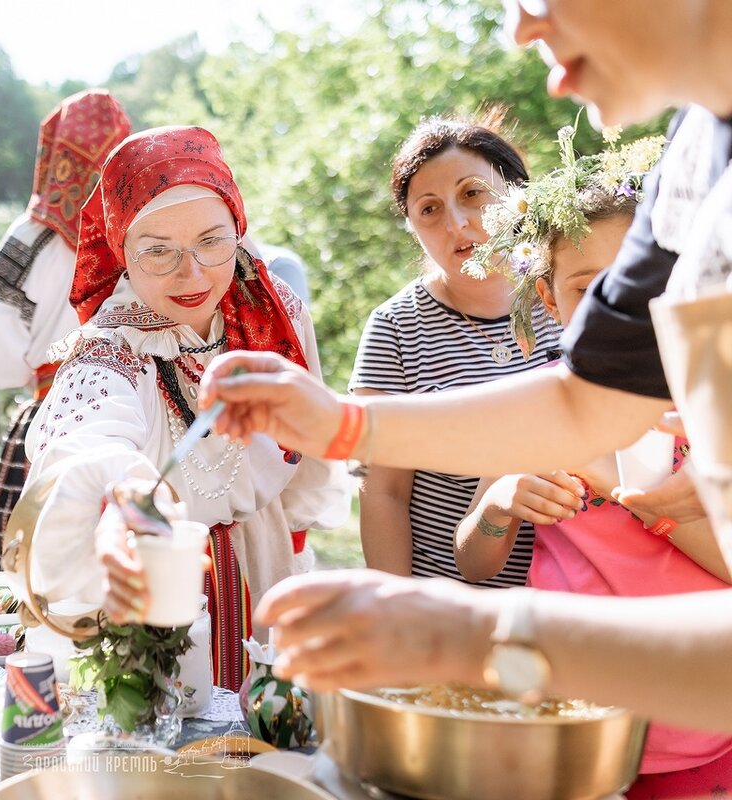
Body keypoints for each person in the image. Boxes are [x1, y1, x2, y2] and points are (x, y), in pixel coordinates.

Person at [197, 0, 732, 744]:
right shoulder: (695, 159)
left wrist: (471, 634)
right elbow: (587, 405)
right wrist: (344, 425)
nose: (520, 29)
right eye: (429, 208)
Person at [20, 126, 351, 691]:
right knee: (166, 751)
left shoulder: (274, 314)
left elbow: (312, 444)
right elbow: (89, 440)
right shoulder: (111, 344)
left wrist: (295, 556)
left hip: (266, 558)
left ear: (239, 229)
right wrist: (117, 499)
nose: (191, 272)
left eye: (211, 241)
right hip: (151, 574)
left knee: (262, 754)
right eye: (157, 251)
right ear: (122, 252)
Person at [450, 132, 732, 793]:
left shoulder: (712, 397)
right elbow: (473, 558)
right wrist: (498, 505)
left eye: (631, 284)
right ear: (548, 301)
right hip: (570, 714)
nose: (618, 309)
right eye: (586, 289)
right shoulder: (537, 405)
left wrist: (632, 489)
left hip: (704, 720)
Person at [350, 114, 560, 586]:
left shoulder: (573, 299)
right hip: (446, 605)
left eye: (472, 193)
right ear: (412, 227)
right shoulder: (395, 327)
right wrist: (397, 608)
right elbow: (382, 492)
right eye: (429, 209)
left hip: (573, 601)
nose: (457, 222)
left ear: (517, 195)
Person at [0, 89, 131, 571]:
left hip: (50, 417)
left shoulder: (33, 235)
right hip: (134, 422)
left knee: (26, 572)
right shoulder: (138, 231)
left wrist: (37, 366)